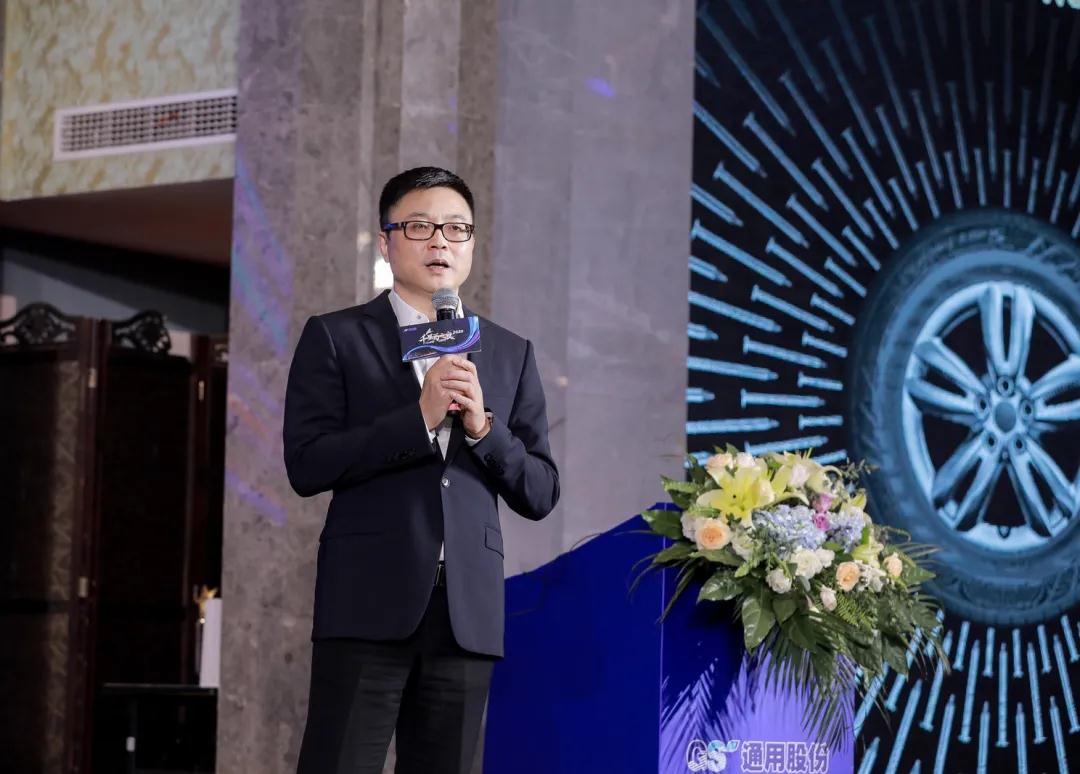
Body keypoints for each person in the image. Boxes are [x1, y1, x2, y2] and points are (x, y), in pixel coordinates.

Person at [284, 166, 560, 773]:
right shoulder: (337, 336)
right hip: (367, 604)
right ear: (386, 243)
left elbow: (540, 491)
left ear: (471, 245)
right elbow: (306, 463)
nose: (440, 241)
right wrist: (418, 419)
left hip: (466, 616)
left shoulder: (509, 352)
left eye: (456, 228)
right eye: (419, 226)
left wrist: (483, 429)